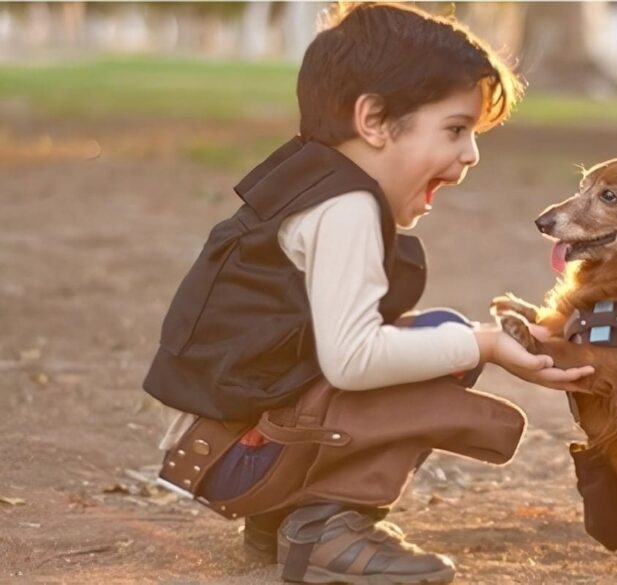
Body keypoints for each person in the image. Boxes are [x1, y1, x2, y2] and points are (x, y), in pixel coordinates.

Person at [142, 3, 593, 584]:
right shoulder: (346, 208)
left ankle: (283, 519)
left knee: (435, 336)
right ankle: (323, 528)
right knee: (446, 346)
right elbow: (352, 360)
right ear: (374, 120)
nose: (471, 154)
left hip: (224, 447)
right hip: (235, 460)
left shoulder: (312, 183)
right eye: (455, 129)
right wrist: (482, 344)